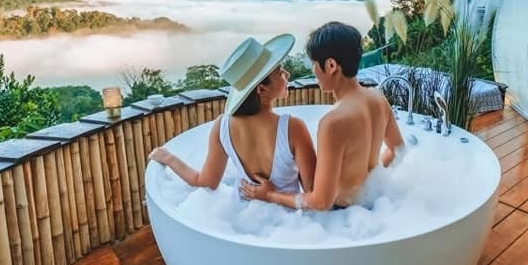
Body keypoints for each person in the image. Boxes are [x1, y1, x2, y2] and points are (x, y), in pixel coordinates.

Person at [241, 22, 404, 210]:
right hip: (372, 204)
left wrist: (270, 195)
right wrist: (369, 179)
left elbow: (320, 202)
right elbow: (397, 150)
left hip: (342, 214)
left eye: (314, 64)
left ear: (331, 65)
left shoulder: (333, 122)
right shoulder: (378, 98)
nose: (314, 71)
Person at [149, 34, 316, 198]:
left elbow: (205, 183)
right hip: (288, 215)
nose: (287, 74)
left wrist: (168, 158)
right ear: (262, 89)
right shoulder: (293, 128)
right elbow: (313, 193)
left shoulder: (221, 126)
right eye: (279, 72)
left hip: (242, 211)